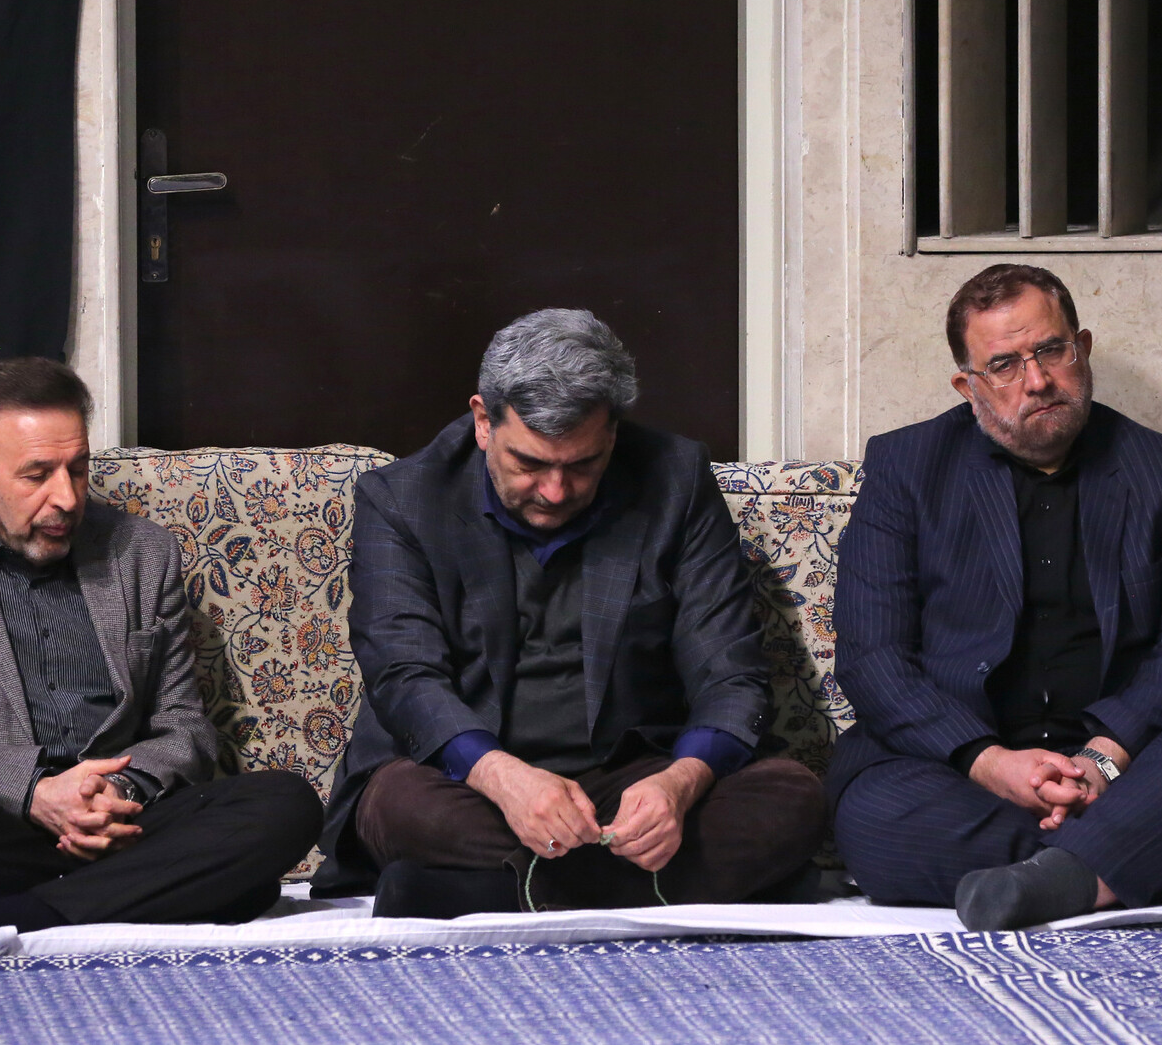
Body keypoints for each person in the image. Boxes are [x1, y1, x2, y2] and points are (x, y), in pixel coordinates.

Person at [315, 309, 825, 915]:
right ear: (483, 422)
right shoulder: (401, 499)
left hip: (629, 777)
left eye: (582, 464)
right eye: (529, 464)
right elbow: (405, 676)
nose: (555, 492)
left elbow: (731, 671)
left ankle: (488, 894)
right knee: (400, 805)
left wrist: (679, 783)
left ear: (612, 433)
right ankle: (686, 887)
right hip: (470, 780)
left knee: (792, 796)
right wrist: (504, 779)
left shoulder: (676, 480)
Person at [829, 264, 1162, 932]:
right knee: (873, 815)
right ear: (968, 385)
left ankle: (1059, 877)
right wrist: (990, 763)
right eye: (1004, 365)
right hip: (962, 770)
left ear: (1083, 348)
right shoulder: (906, 467)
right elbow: (873, 658)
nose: (1038, 380)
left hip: (1122, 767)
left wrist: (1100, 760)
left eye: (1051, 350)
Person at [0, 358, 323, 932]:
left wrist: (113, 789)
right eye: (37, 475)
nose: (65, 497)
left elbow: (183, 726)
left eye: (78, 469)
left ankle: (32, 912)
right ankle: (162, 893)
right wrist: (35, 792)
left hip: (119, 825)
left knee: (286, 804)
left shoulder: (144, 553)